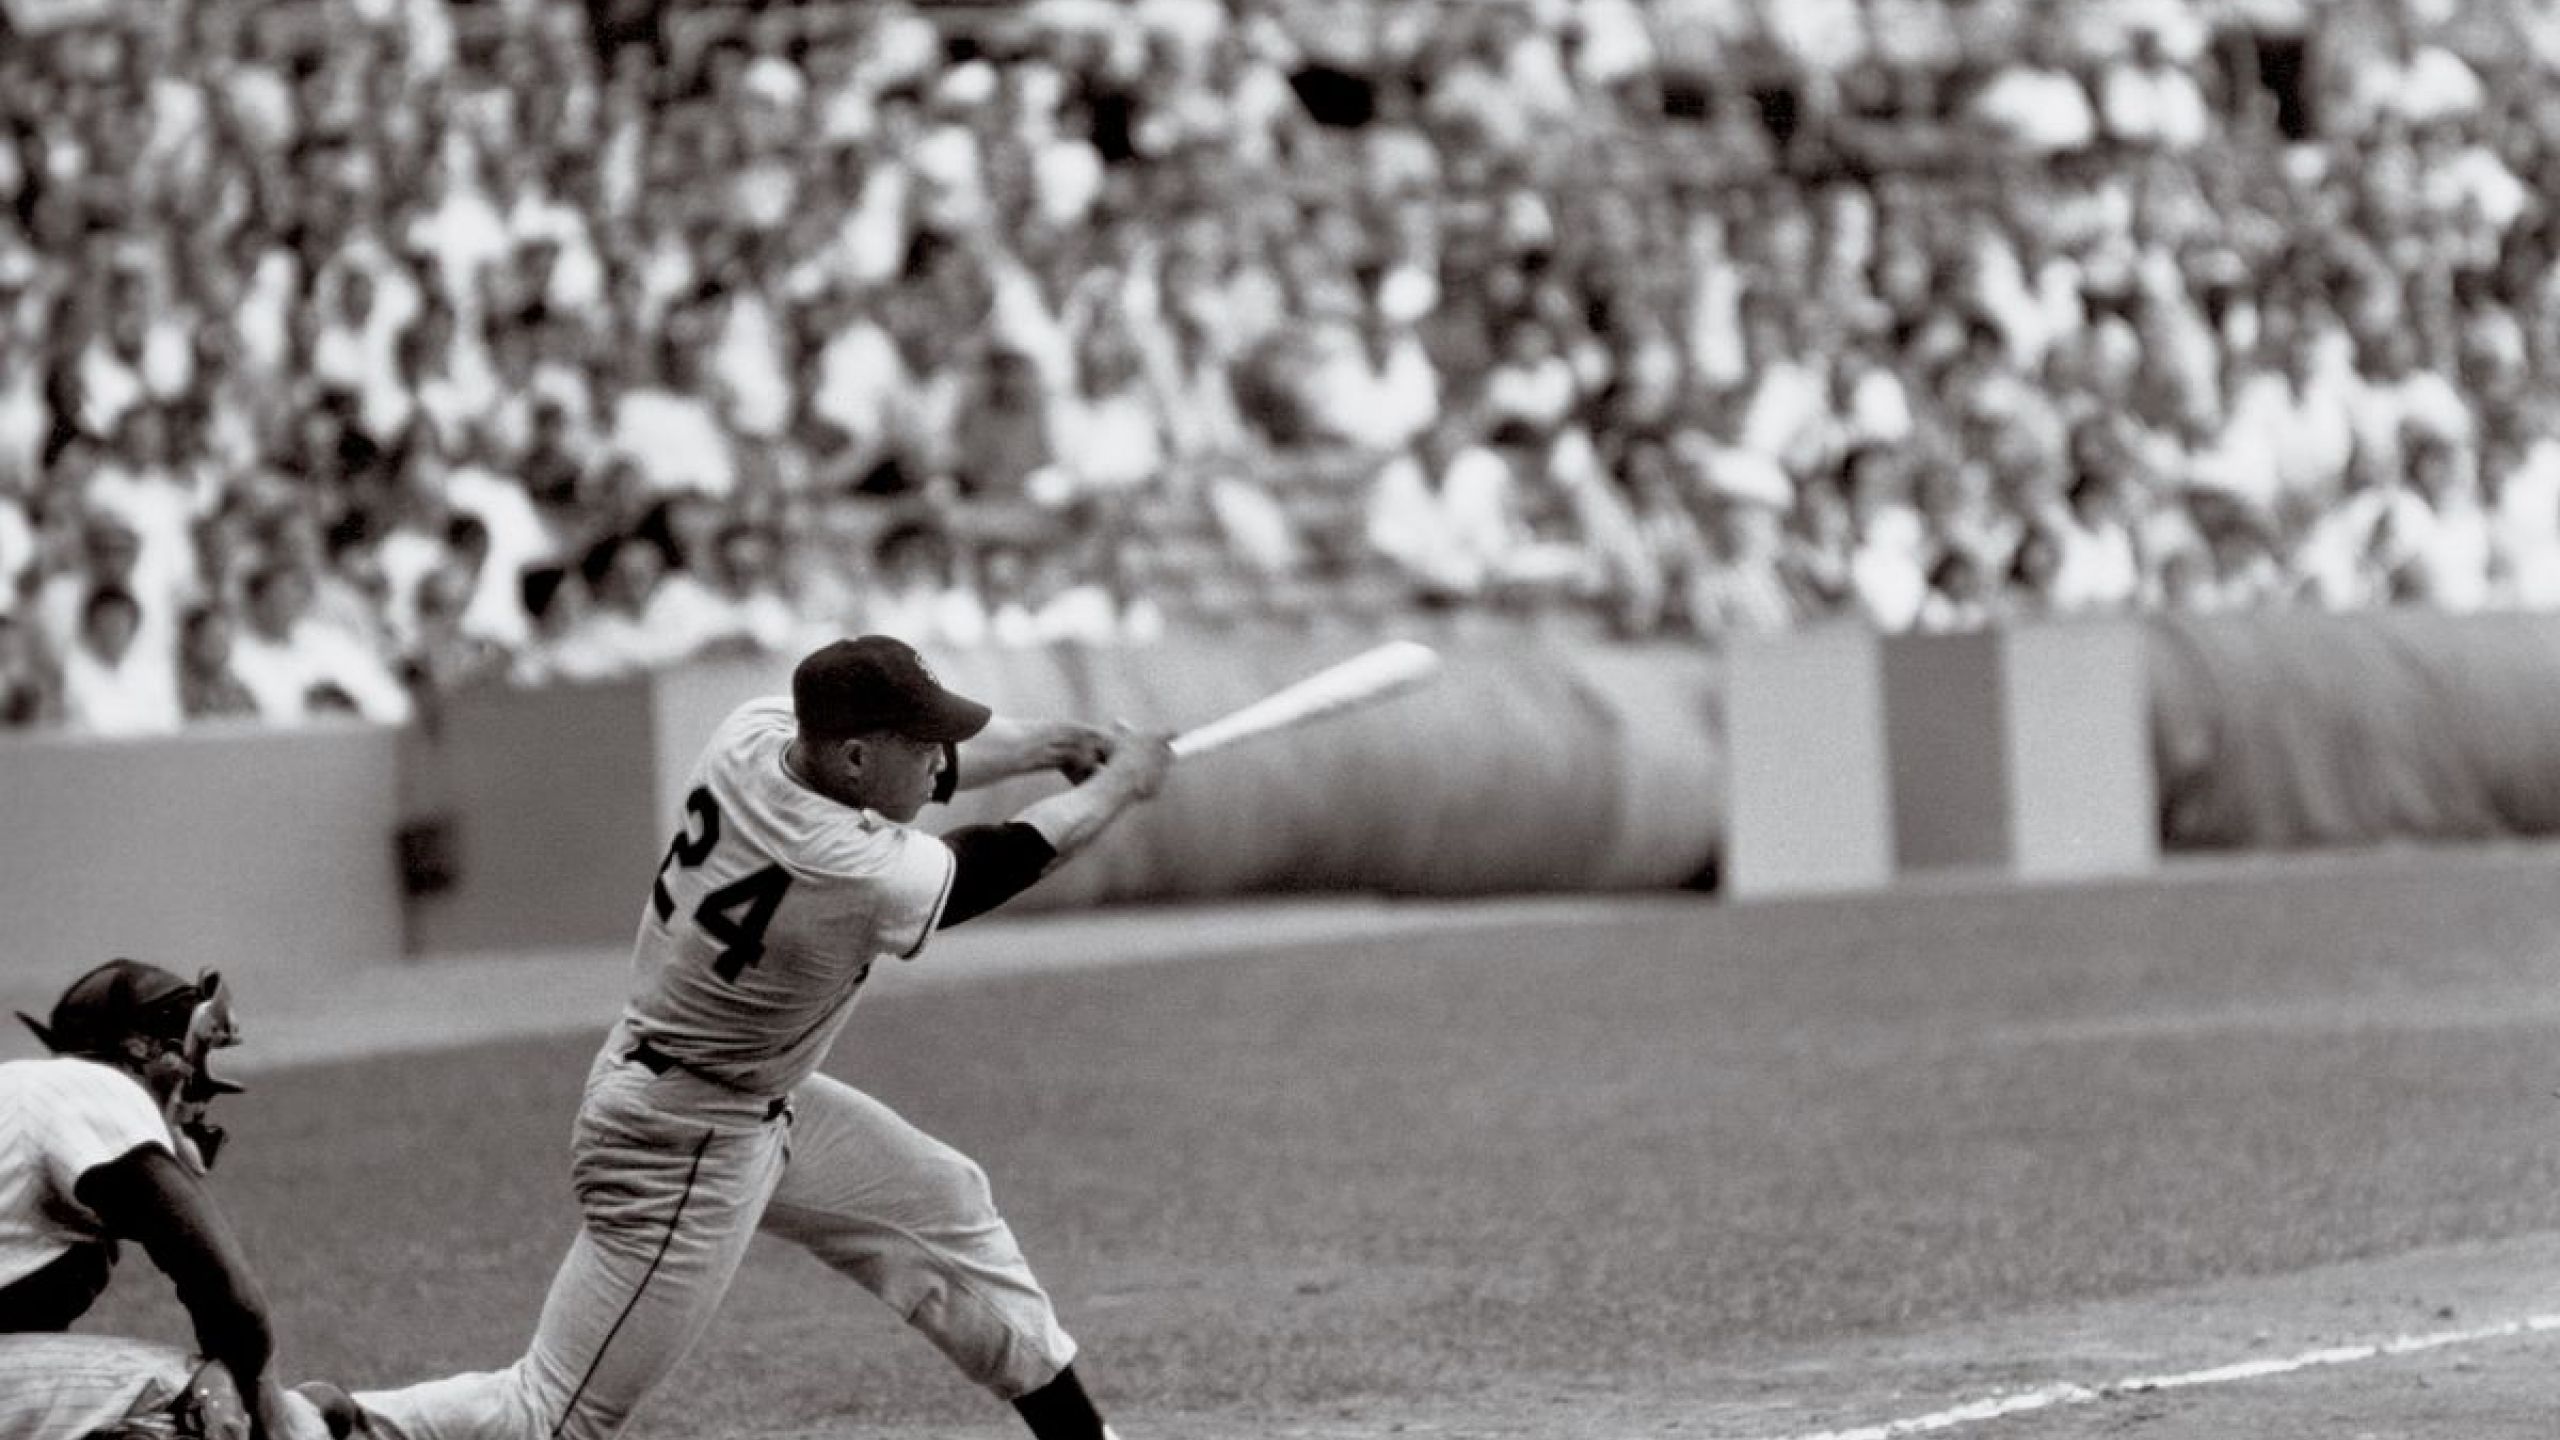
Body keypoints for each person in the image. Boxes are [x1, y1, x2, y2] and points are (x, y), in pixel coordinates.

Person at [354, 636, 1177, 1440]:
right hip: (681, 1138)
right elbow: (1009, 856)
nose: (939, 758)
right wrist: (1122, 788)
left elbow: (922, 777)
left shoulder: (753, 733)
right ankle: (310, 1425)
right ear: (853, 759)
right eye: (921, 742)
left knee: (942, 1203)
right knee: (554, 1415)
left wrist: (1059, 744)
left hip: (746, 1097)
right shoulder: (850, 867)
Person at [0, 961, 346, 1440]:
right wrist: (271, 1416)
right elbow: (228, 1294)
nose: (203, 1084)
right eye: (196, 1049)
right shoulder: (90, 1085)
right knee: (197, 1398)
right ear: (142, 1047)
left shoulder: (25, 1097)